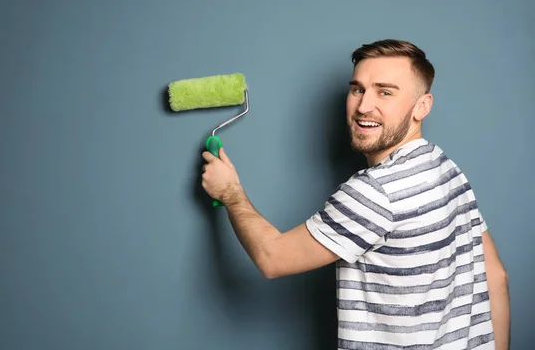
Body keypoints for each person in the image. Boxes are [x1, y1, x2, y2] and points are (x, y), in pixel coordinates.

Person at [200, 39, 510, 349]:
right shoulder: (443, 166)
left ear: (422, 106)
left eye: (385, 92)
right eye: (358, 89)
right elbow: (496, 276)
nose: (363, 106)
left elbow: (272, 257)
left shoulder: (375, 191)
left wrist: (230, 192)